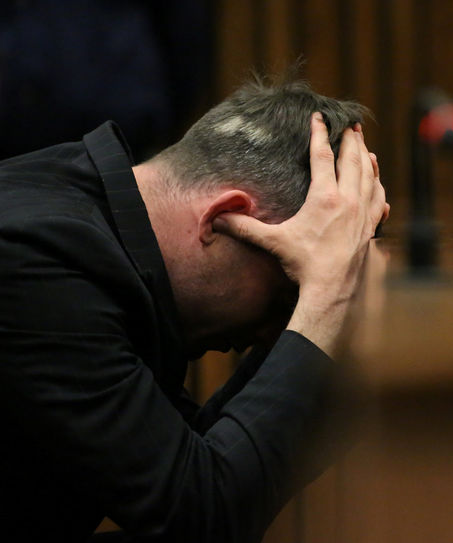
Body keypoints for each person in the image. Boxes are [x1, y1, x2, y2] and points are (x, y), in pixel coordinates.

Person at [0, 76, 388, 542]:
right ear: (223, 217)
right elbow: (204, 517)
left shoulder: (91, 225)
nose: (270, 334)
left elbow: (195, 465)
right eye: (287, 292)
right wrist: (326, 296)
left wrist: (341, 331)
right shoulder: (36, 261)